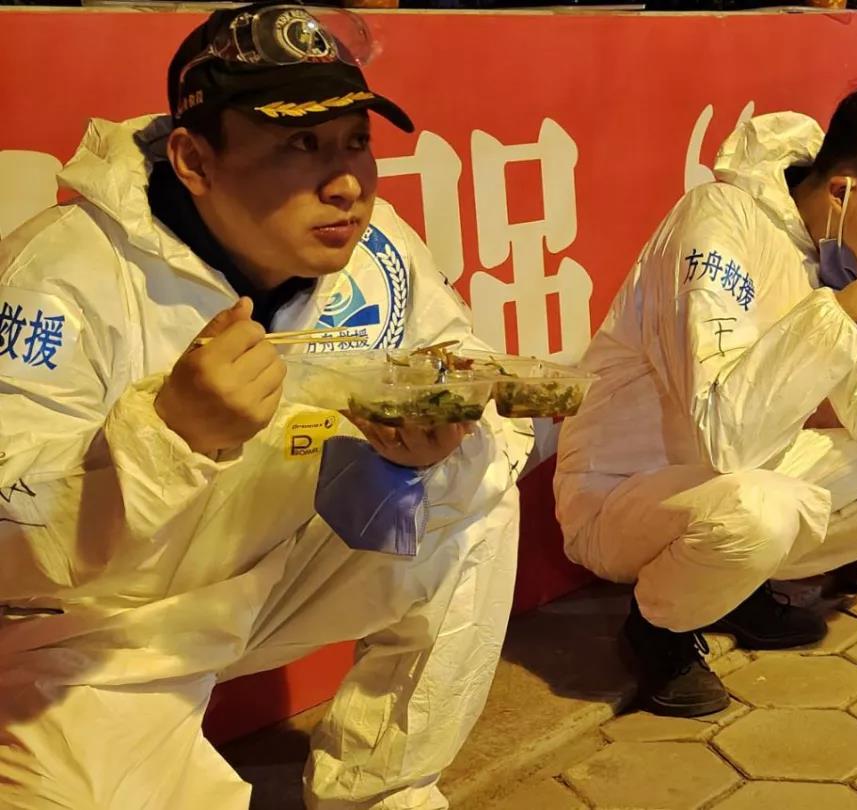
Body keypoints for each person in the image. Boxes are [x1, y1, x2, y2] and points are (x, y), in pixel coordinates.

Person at [0, 5, 531, 809]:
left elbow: (459, 356)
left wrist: (432, 433)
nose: (347, 182)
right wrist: (168, 437)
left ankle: (383, 791)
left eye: (355, 141)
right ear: (194, 160)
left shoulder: (374, 247)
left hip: (272, 570)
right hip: (100, 631)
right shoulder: (61, 278)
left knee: (475, 480)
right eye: (299, 145)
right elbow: (11, 536)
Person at [554, 85, 857, 718]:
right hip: (625, 492)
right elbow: (724, 436)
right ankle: (659, 626)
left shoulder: (850, 257)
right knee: (761, 511)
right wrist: (840, 316)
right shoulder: (719, 221)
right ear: (842, 191)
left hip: (744, 474)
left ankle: (735, 585)